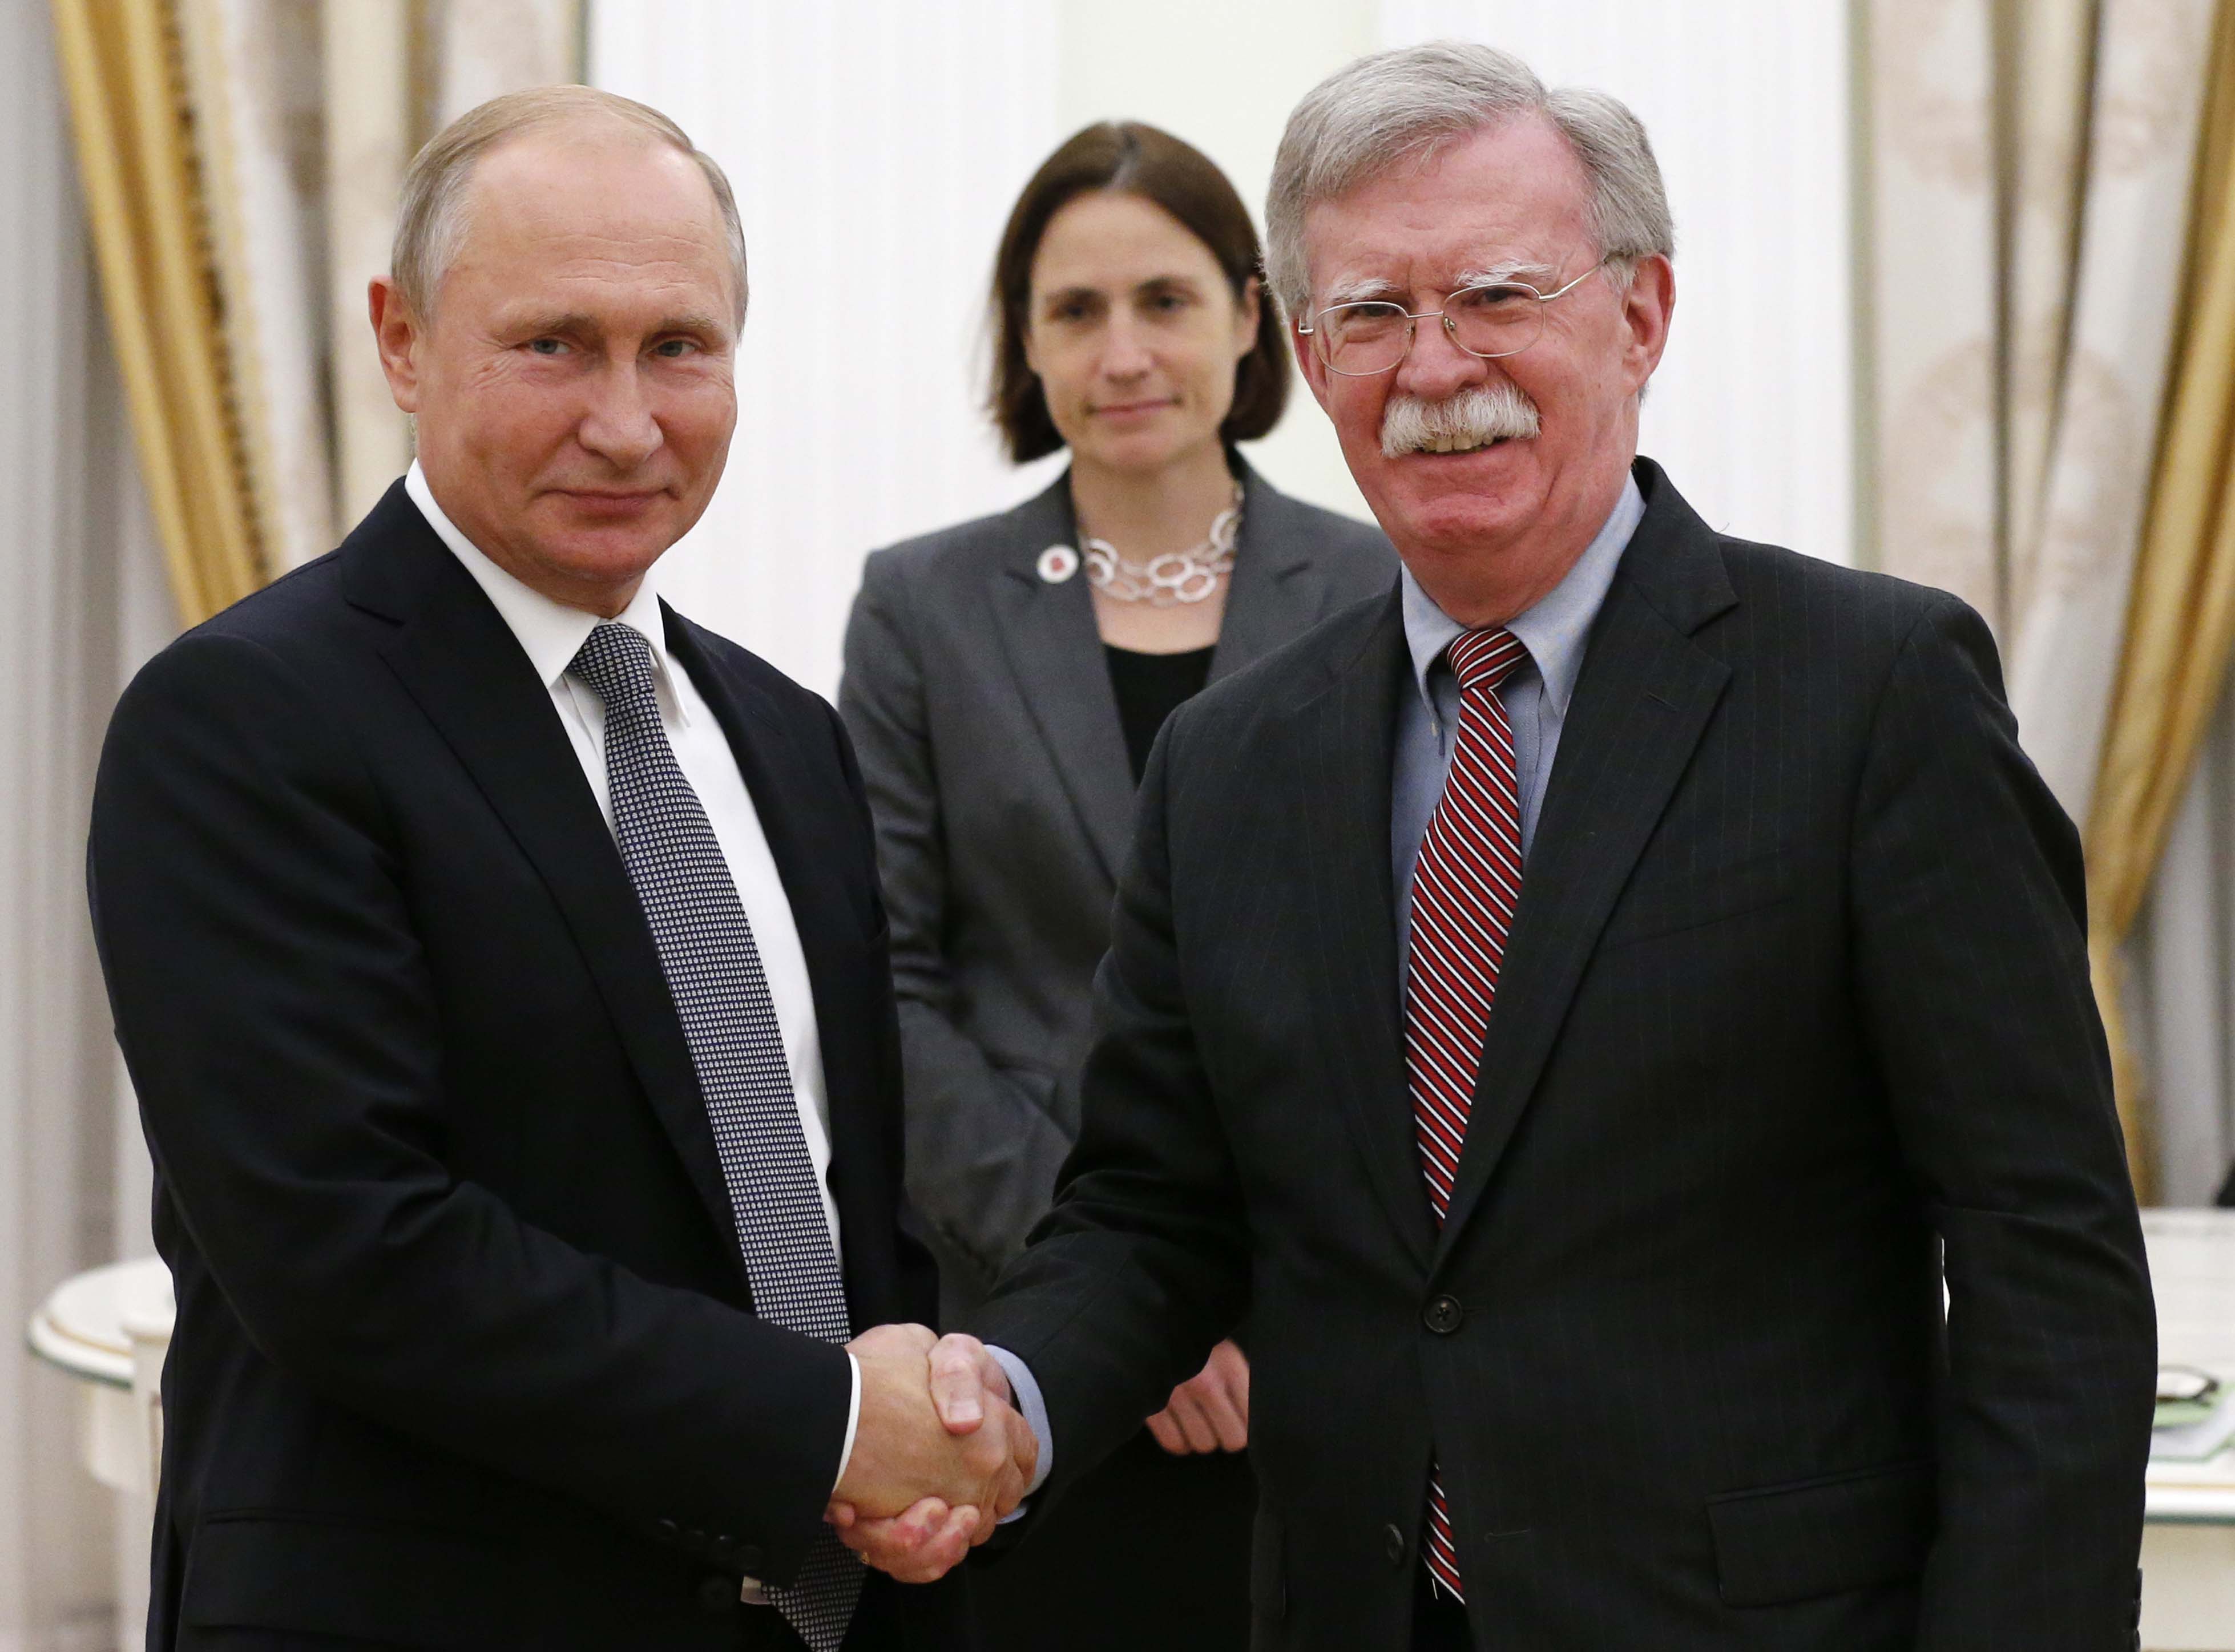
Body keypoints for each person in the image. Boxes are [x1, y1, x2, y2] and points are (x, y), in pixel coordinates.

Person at [853, 41, 2160, 1651]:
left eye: (1495, 293)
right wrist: (1009, 1401)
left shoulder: (1870, 695)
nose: (1433, 365)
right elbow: (1148, 1214)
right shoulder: (1229, 768)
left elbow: (2043, 1261)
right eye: (1373, 315)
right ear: (1311, 356)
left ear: (1640, 314)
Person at [87, 87, 1031, 1652]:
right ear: (400, 338)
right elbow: (352, 1251)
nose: (626, 421)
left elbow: (839, 1195)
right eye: (553, 345)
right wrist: (819, 1426)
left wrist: (910, 1437)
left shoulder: (786, 737)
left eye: (679, 345)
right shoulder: (244, 719)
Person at [837, 122, 1393, 1648]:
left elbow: (1424, 985)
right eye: (1073, 311)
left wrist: (1247, 1308)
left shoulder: (1380, 587)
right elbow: (884, 986)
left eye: (1163, 299)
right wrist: (1119, 1314)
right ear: (1023, 344)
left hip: (1323, 1341)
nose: (1123, 349)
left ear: (1246, 316)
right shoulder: (919, 605)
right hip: (1023, 1349)